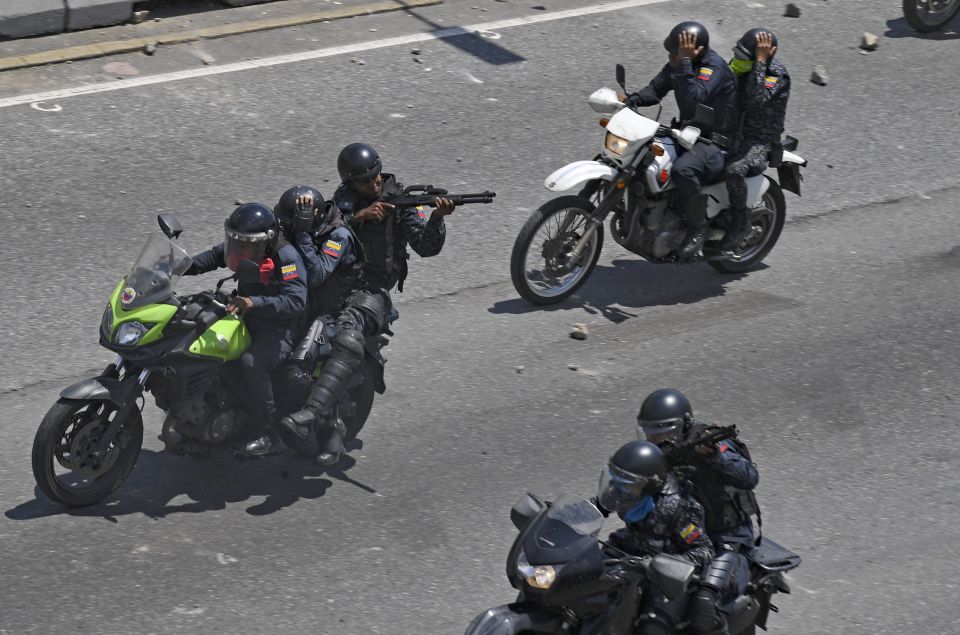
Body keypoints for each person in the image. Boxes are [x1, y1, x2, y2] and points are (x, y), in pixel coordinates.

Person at [274, 186, 389, 465]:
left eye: (293, 223)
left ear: (310, 218)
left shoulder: (337, 235)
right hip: (303, 302)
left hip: (337, 305)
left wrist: (301, 233)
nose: (287, 228)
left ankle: (327, 420)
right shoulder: (302, 228)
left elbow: (317, 274)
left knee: (298, 364)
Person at [184, 203, 307, 457]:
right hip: (244, 313)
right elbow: (214, 256)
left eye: (246, 244)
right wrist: (180, 266)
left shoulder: (287, 258)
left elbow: (296, 301)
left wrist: (254, 302)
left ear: (267, 242)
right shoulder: (244, 247)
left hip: (279, 327)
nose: (240, 249)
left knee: (252, 363)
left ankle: (268, 432)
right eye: (236, 242)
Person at [636, 389, 760, 635]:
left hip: (726, 539)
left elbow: (750, 477)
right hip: (683, 532)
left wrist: (716, 458)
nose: (655, 440)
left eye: (663, 432)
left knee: (704, 605)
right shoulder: (655, 450)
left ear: (685, 424)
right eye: (650, 432)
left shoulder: (712, 442)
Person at [625, 21, 739, 258]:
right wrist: (630, 100)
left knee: (683, 170)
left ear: (696, 50)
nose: (671, 56)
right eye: (672, 52)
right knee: (641, 157)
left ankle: (698, 229)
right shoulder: (679, 64)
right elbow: (656, 89)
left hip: (715, 144)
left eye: (676, 52)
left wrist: (683, 63)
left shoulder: (713, 68)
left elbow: (691, 102)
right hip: (688, 136)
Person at [597, 440, 715, 634]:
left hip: (665, 576)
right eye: (617, 481)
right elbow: (599, 506)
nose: (620, 490)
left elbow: (703, 550)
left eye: (629, 486)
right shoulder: (625, 489)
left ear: (651, 486)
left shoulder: (678, 508)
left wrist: (661, 564)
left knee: (650, 629)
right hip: (627, 553)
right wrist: (567, 515)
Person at [719, 29, 791, 252]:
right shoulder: (741, 66)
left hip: (759, 141)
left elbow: (757, 99)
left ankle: (739, 223)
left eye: (746, 56)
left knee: (734, 170)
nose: (739, 59)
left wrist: (759, 61)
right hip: (732, 133)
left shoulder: (775, 74)